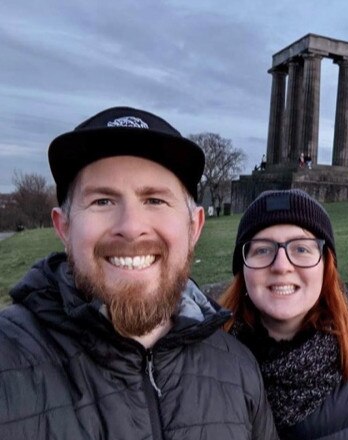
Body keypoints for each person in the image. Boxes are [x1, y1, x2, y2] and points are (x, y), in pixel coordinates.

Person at [0, 107, 277, 439]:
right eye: (102, 201)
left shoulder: (239, 370)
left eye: (155, 200)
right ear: (64, 227)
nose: (131, 228)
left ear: (194, 227)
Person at [220, 189, 348, 439]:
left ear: (326, 266)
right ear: (242, 270)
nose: (281, 266)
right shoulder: (208, 361)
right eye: (262, 250)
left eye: (301, 249)